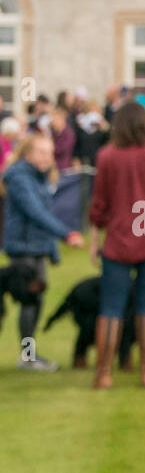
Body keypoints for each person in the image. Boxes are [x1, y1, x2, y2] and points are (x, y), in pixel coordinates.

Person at [88, 100, 145, 388]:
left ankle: (103, 373)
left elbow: (98, 204)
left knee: (111, 307)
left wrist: (94, 238)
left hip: (117, 240)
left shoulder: (106, 156)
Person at [1, 132, 85, 369]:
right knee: (30, 301)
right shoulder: (19, 178)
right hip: (23, 248)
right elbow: (36, 213)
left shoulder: (40, 177)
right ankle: (28, 357)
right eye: (41, 152)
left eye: (49, 153)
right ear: (27, 153)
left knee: (35, 300)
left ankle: (29, 354)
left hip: (37, 248)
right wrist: (66, 234)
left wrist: (53, 250)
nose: (47, 157)